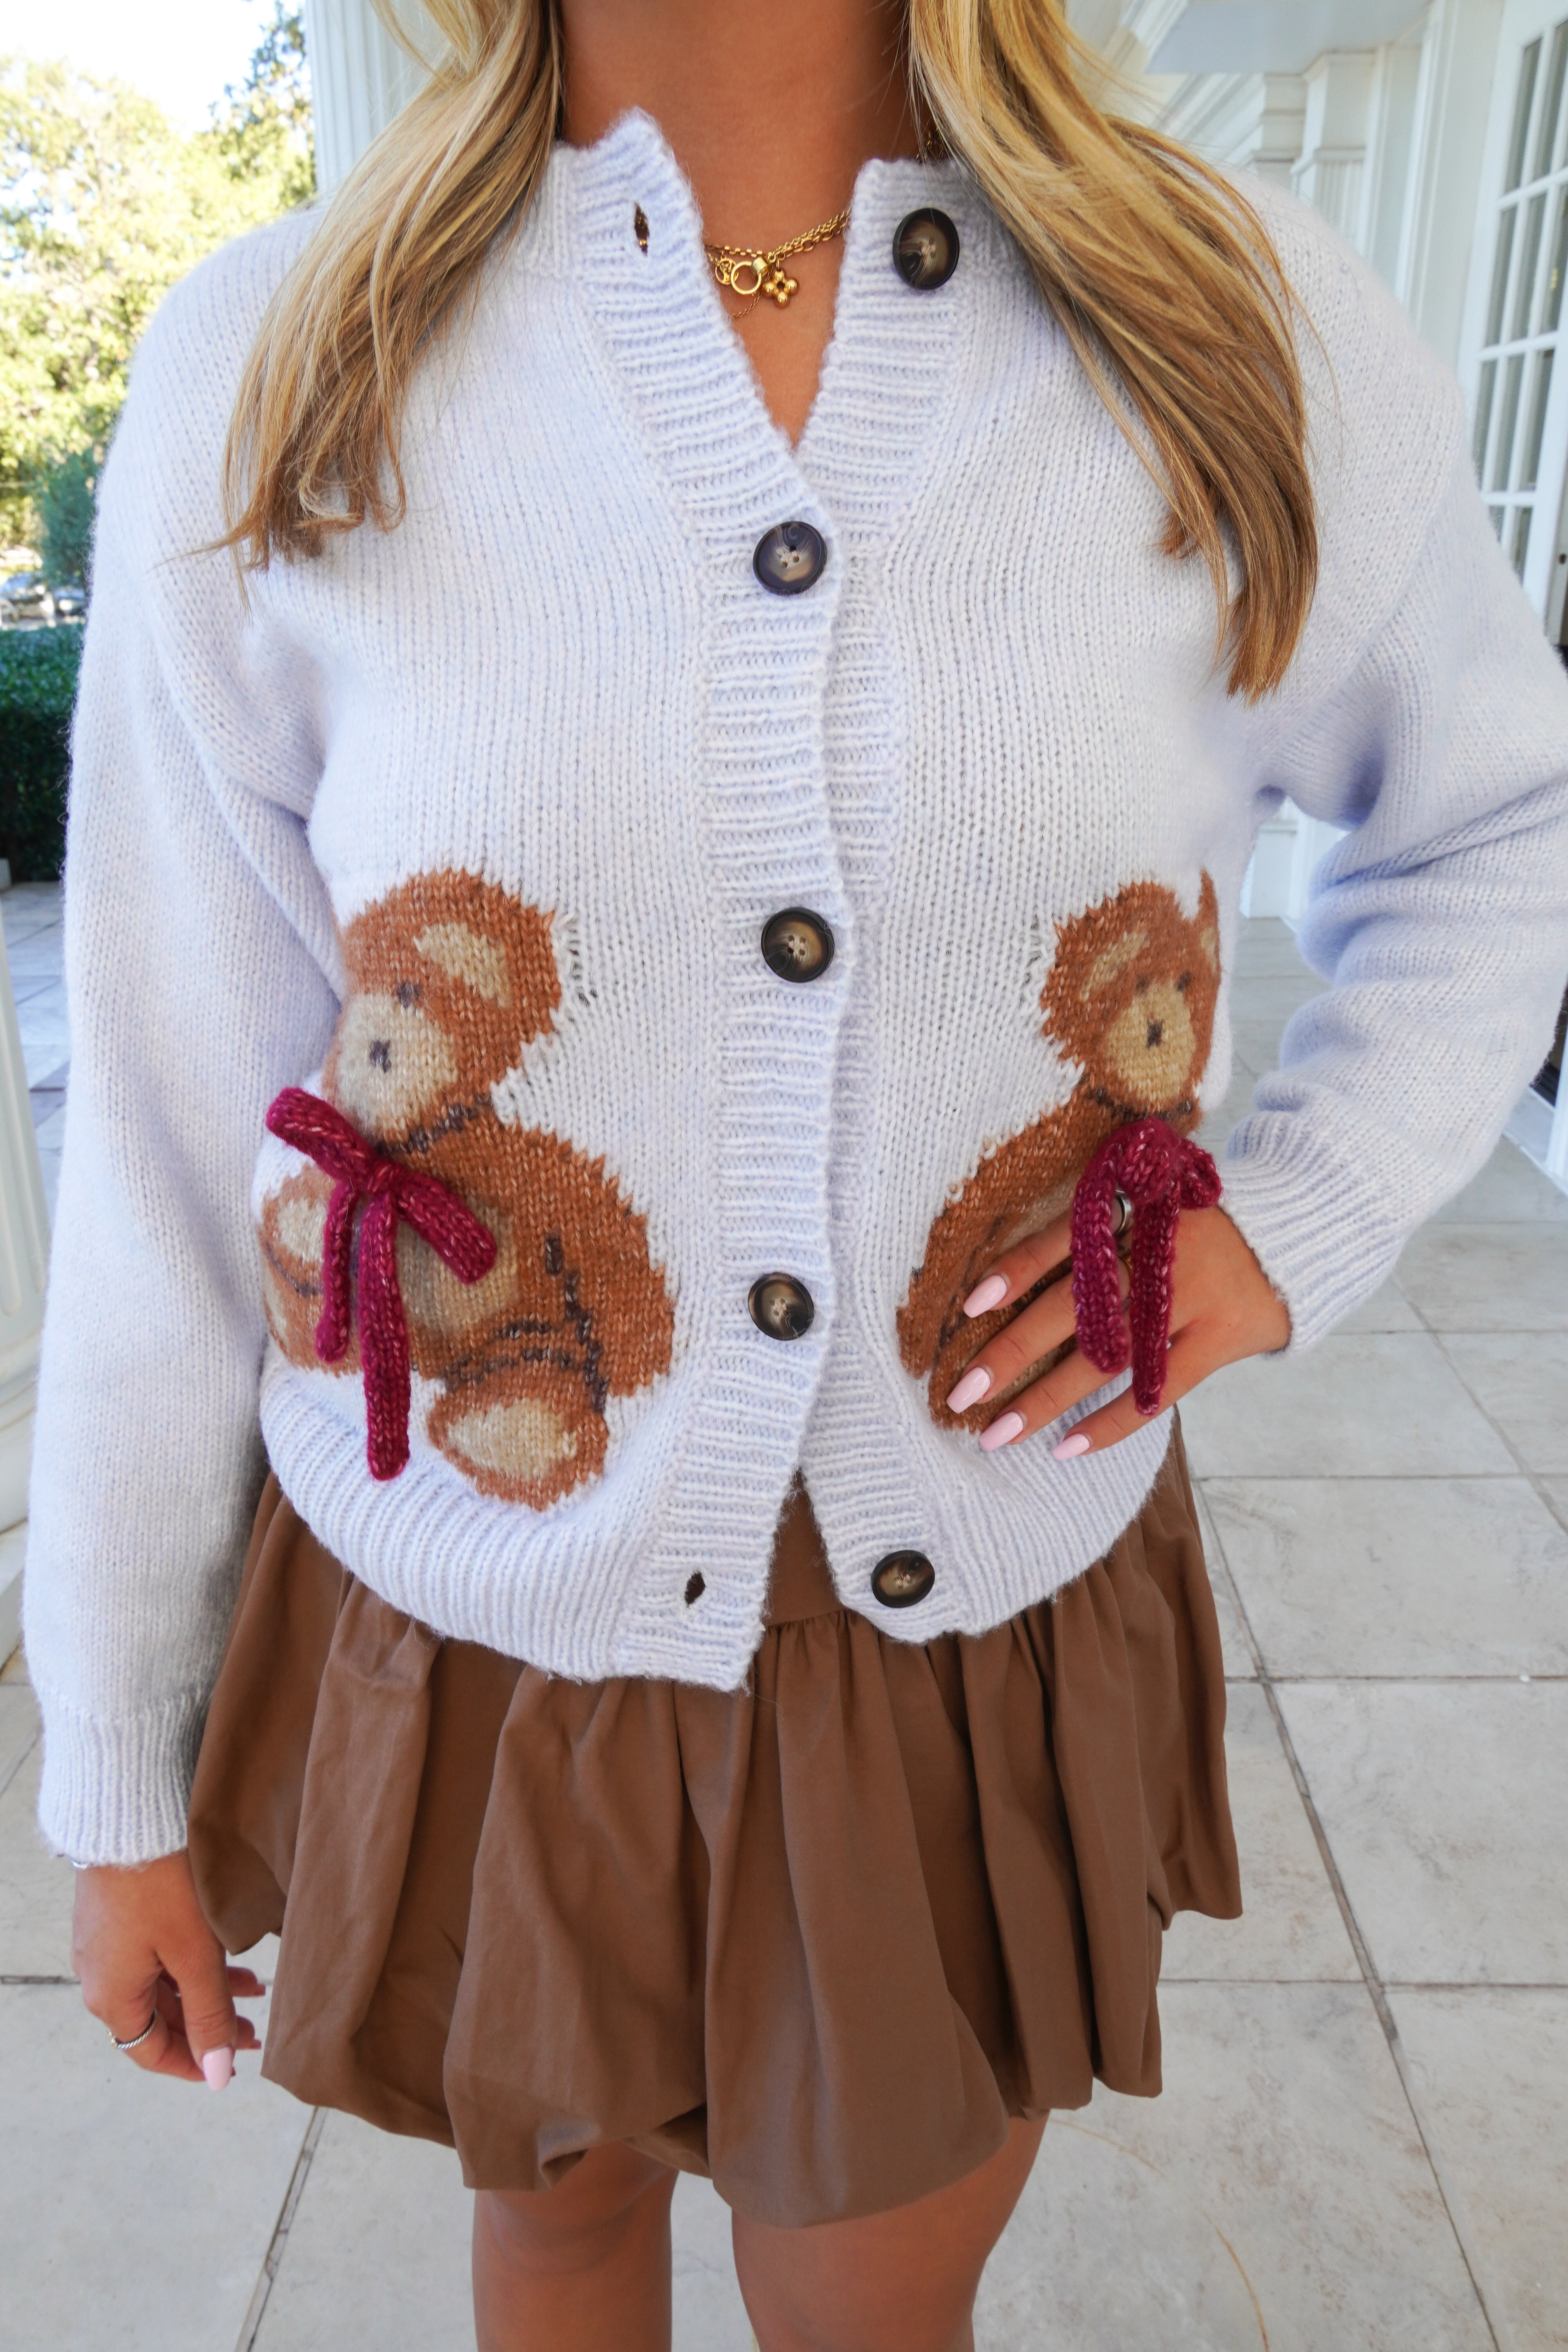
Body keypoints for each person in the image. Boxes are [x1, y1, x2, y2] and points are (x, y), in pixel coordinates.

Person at [32, 1, 1568, 2346]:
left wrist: (1300, 1215)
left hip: (960, 1623)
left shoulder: (1227, 319)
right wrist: (117, 1759)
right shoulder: (285, 359)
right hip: (481, 1624)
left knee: (871, 2293)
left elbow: (1495, 820)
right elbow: (162, 1125)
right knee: (552, 2232)